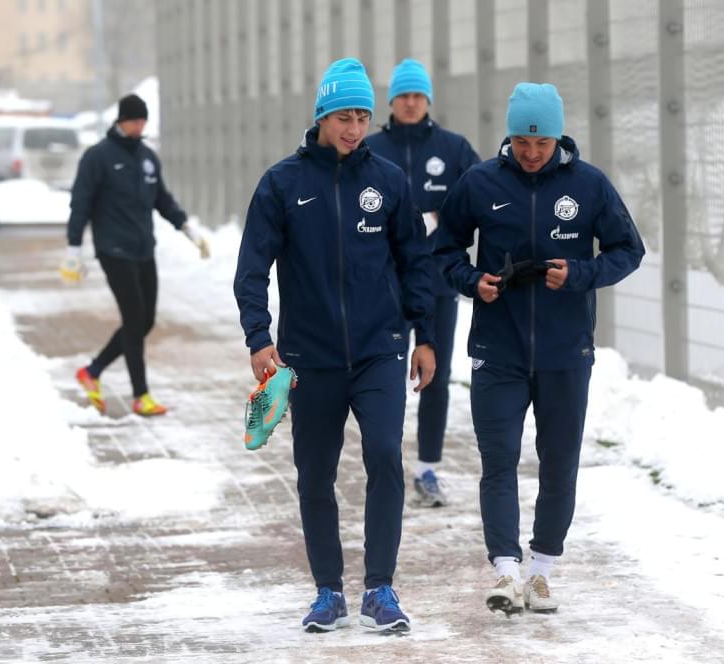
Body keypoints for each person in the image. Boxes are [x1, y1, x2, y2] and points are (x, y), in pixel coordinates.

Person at [234, 58, 436, 633]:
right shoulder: (283, 184)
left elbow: (415, 264)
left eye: (363, 117)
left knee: (383, 455)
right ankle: (328, 591)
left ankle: (380, 587)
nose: (354, 127)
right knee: (314, 473)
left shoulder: (389, 182)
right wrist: (259, 337)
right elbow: (252, 269)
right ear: (322, 115)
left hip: (380, 349)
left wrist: (425, 337)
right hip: (311, 356)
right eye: (345, 115)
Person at [435, 82, 645, 614]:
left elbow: (628, 249)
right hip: (497, 350)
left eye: (542, 143)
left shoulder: (589, 185)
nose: (531, 153)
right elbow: (443, 250)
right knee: (499, 461)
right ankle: (506, 571)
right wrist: (471, 281)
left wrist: (580, 274)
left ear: (558, 137)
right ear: (509, 136)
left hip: (564, 352)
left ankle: (542, 572)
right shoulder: (479, 182)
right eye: (523, 141)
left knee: (559, 466)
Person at [366, 58, 481, 508]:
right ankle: (386, 465)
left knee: (435, 376)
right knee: (384, 376)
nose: (410, 103)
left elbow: (479, 198)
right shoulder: (371, 149)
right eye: (402, 95)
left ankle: (427, 469)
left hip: (437, 284)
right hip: (383, 287)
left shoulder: (453, 149)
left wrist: (439, 218)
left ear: (427, 100)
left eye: (418, 95)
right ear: (391, 101)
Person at [60, 93, 210, 417]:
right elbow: (81, 202)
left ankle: (93, 371)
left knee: (145, 320)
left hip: (143, 248)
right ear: (121, 120)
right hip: (113, 249)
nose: (139, 126)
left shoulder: (147, 157)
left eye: (143, 121)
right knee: (133, 318)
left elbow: (162, 198)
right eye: (134, 121)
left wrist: (186, 226)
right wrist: (74, 247)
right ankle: (141, 395)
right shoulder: (98, 157)